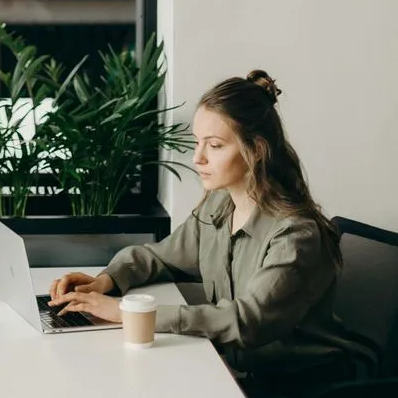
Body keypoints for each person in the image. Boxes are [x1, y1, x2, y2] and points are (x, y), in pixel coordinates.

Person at [48, 70, 377, 397]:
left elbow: (247, 322)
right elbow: (159, 256)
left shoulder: (295, 235)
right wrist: (106, 281)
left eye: (215, 145)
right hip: (240, 374)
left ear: (257, 150)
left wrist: (127, 312)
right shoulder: (219, 205)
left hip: (306, 385)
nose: (197, 158)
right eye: (197, 142)